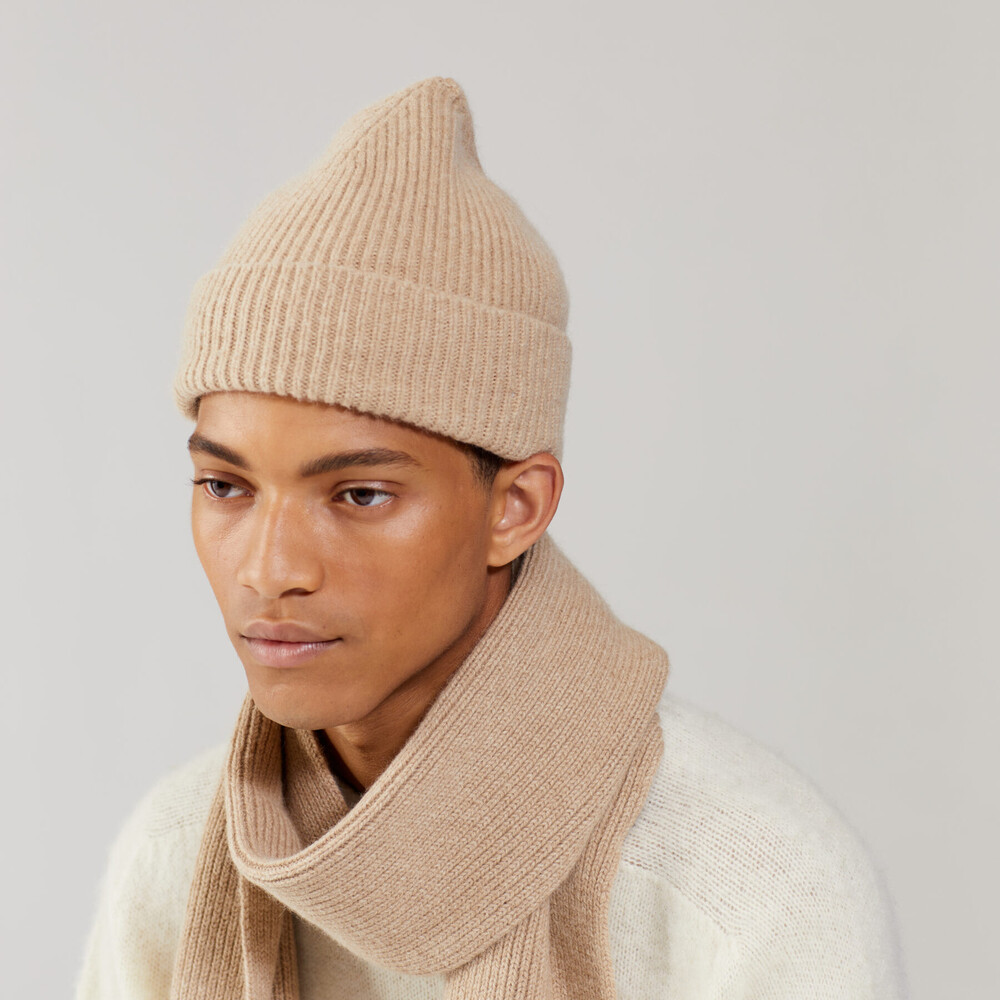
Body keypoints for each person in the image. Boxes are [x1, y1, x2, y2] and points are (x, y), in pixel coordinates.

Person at [73, 75, 906, 999]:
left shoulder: (747, 891)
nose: (269, 570)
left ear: (516, 508)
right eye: (225, 487)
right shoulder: (176, 857)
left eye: (358, 494)